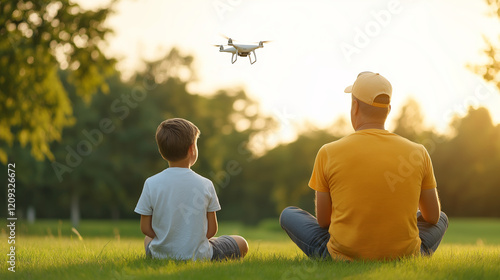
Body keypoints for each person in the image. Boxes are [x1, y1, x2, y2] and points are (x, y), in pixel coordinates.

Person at [279, 72, 448, 261]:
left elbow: (324, 221)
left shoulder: (328, 152)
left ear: (355, 105)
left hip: (339, 255)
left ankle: (339, 254)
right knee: (442, 218)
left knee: (289, 214)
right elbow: (432, 217)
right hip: (406, 256)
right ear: (389, 109)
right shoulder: (419, 152)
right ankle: (411, 254)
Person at [134, 118, 248, 261]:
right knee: (241, 242)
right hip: (200, 255)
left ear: (161, 151)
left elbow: (145, 228)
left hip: (160, 255)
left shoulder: (151, 183)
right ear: (192, 149)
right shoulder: (206, 184)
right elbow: (212, 230)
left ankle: (159, 254)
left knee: (147, 239)